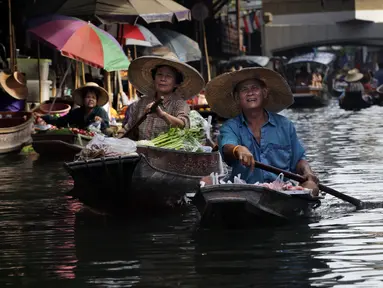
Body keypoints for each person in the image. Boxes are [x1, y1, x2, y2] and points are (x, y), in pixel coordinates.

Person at [204, 67, 319, 195]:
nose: (250, 93)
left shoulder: (285, 125)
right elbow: (227, 147)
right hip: (245, 192)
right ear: (237, 97)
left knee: (311, 187)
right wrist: (238, 150)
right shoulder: (230, 127)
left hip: (282, 192)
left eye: (254, 88)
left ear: (264, 93)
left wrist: (307, 171)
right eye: (244, 89)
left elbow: (298, 160)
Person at [117, 51, 205, 140]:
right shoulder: (141, 103)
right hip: (141, 152)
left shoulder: (179, 104)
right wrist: (117, 139)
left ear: (176, 84)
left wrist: (163, 115)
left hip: (167, 153)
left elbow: (183, 125)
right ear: (154, 78)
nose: (163, 79)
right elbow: (129, 129)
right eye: (159, 74)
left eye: (168, 76)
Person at [39, 82, 110, 132]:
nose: (91, 99)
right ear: (83, 99)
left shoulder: (100, 111)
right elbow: (60, 121)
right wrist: (43, 116)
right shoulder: (77, 112)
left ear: (97, 101)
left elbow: (107, 129)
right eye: (88, 97)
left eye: (93, 98)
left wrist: (101, 121)